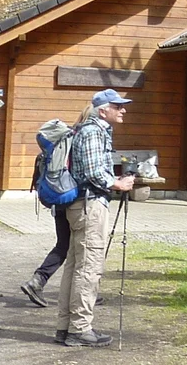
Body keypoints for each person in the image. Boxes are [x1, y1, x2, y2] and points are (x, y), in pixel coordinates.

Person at [55, 89, 136, 347]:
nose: (123, 110)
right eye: (118, 106)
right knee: (88, 267)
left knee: (75, 265)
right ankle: (79, 329)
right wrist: (118, 184)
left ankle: (66, 326)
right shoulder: (92, 132)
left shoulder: (91, 130)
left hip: (82, 205)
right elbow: (93, 173)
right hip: (90, 205)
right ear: (103, 110)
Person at [22, 104, 98, 308]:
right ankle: (81, 290)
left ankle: (38, 281)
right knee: (78, 248)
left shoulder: (65, 137)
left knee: (64, 245)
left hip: (59, 197)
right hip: (75, 200)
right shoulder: (84, 139)